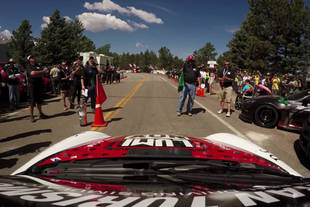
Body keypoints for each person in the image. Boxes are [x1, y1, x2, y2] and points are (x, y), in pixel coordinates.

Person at [25, 55, 48, 122]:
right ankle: (31, 116)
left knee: (39, 100)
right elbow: (32, 73)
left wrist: (39, 73)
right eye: (31, 58)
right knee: (31, 101)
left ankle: (41, 114)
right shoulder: (28, 66)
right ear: (29, 60)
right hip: (32, 85)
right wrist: (41, 72)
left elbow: (43, 73)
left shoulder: (38, 65)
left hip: (39, 84)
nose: (33, 58)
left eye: (34, 57)